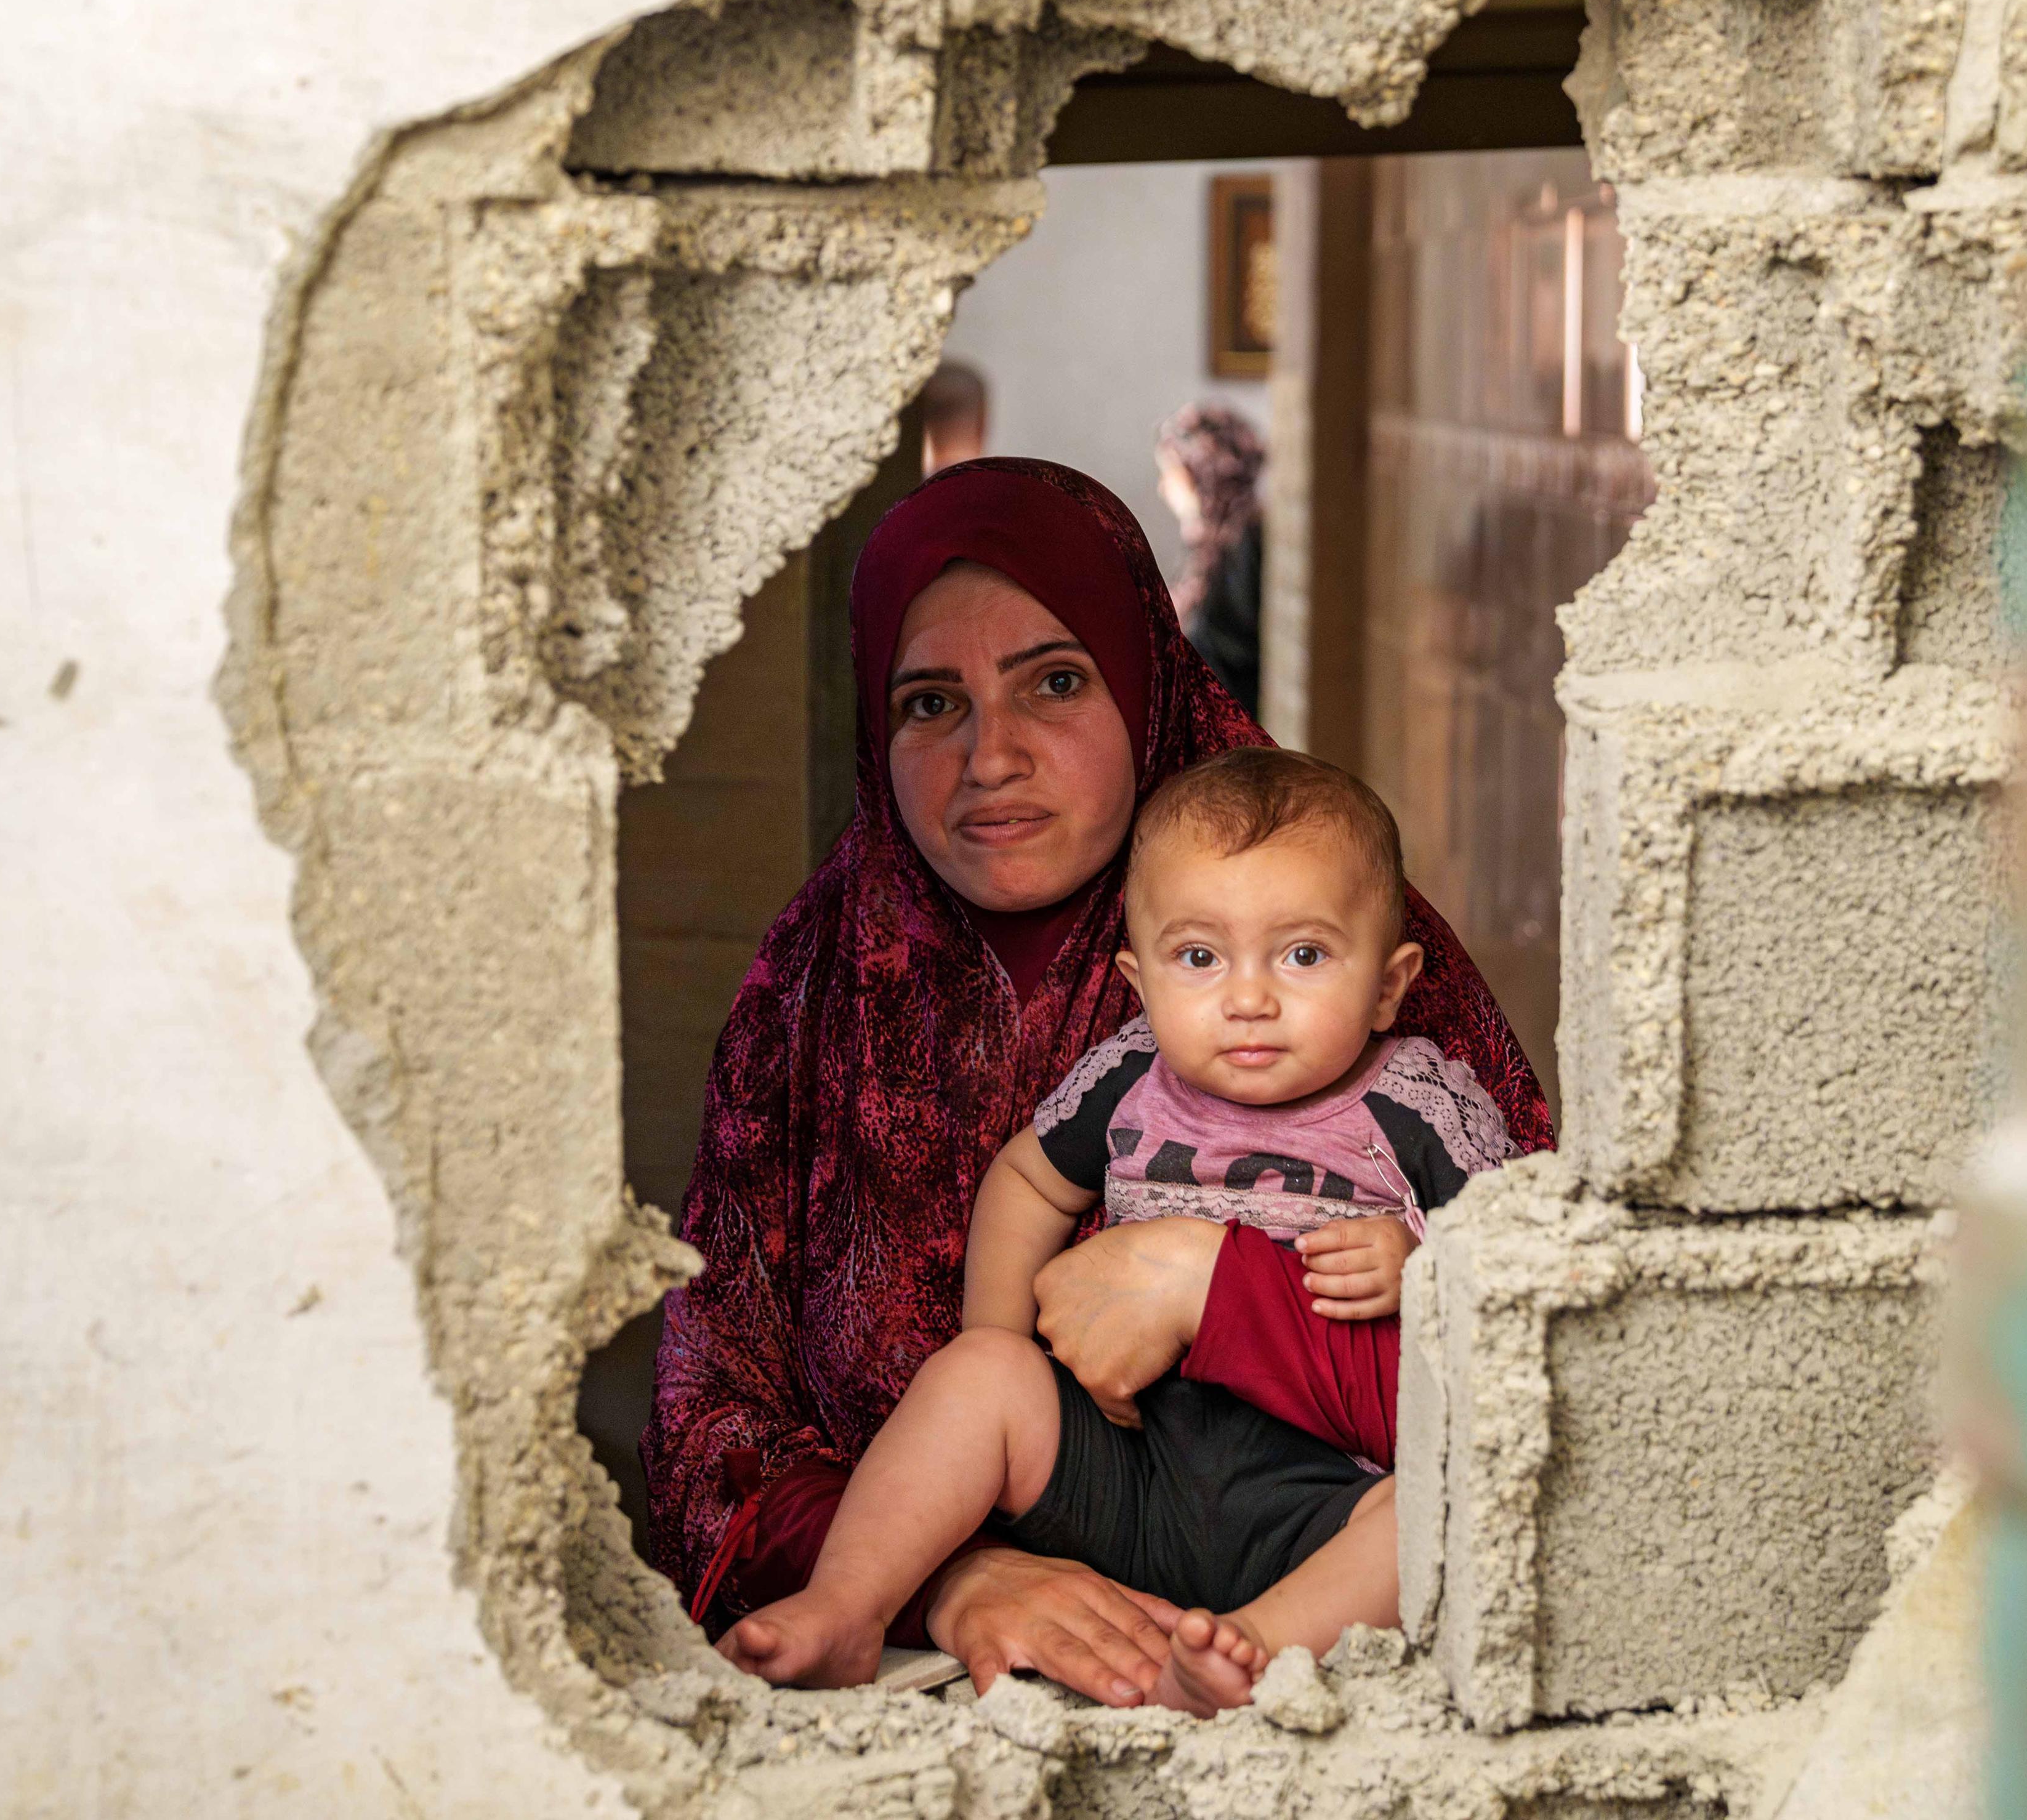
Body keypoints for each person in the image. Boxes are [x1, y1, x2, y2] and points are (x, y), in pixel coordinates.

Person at [643, 458, 1552, 1708]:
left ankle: (1236, 1655)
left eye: (1056, 681)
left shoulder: (1358, 961)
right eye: (929, 702)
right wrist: (951, 1577)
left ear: (1145, 681)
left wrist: (1215, 1286)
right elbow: (708, 1430)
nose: (991, 756)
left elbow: (1548, 1386)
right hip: (984, 1633)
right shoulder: (804, 1001)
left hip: (1308, 1581)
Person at [717, 750, 1517, 1712]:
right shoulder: (1131, 1076)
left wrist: (1424, 1259)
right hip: (1132, 1464)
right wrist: (1002, 1355)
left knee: (1444, 1498)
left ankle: (1250, 1650)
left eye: (1303, 955)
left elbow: (1521, 1264)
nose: (1249, 999)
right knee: (977, 1376)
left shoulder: (1417, 1105)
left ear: (1389, 986)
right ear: (1139, 981)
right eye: (1199, 958)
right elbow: (1026, 1181)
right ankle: (847, 1605)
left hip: (1325, 1497)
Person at [1155, 403, 1265, 719]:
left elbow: (1231, 663)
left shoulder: (1241, 545)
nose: (1163, 488)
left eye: (1171, 473)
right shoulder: (1209, 548)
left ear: (1200, 471)